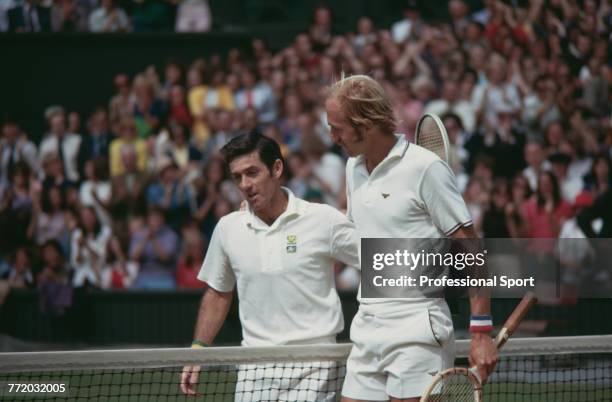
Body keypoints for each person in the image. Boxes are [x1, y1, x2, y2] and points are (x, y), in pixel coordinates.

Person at [325, 75, 498, 402]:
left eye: (338, 128)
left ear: (366, 124)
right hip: (367, 324)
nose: (332, 137)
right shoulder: (352, 168)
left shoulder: (426, 168)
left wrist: (481, 332)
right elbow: (360, 242)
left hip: (417, 329)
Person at [180, 132, 359, 401]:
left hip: (316, 366)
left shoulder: (322, 219)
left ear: (277, 169)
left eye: (252, 173)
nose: (245, 184)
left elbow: (380, 258)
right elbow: (219, 292)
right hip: (254, 368)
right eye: (237, 177)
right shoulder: (228, 228)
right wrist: (198, 348)